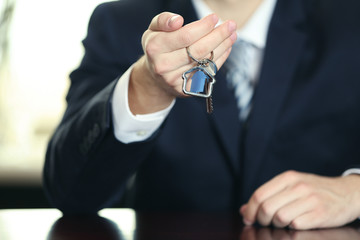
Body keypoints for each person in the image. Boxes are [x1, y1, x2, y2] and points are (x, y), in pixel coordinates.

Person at [43, 0, 360, 230]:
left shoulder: (350, 20)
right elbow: (72, 194)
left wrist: (354, 191)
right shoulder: (119, 22)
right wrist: (144, 85)